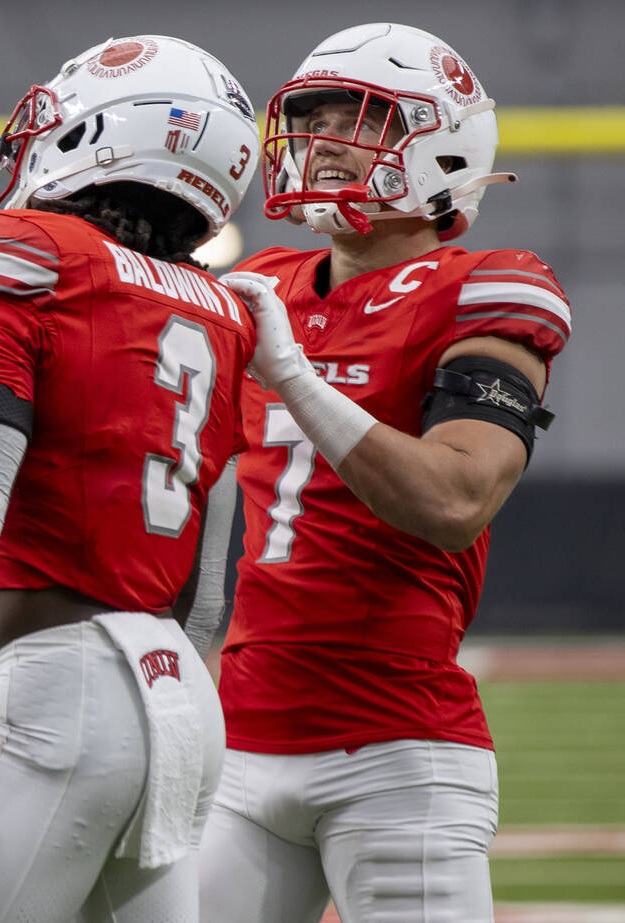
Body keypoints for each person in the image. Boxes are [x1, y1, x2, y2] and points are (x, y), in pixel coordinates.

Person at [0, 35, 261, 923]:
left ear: (110, 131)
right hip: (178, 696)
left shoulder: (31, 253)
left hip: (65, 698)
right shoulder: (221, 308)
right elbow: (210, 593)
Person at [199, 22, 572, 922]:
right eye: (314, 115)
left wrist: (294, 377)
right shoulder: (260, 282)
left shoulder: (486, 285)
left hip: (398, 750)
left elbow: (455, 499)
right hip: (238, 742)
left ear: (442, 143)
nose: (323, 138)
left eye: (358, 117)